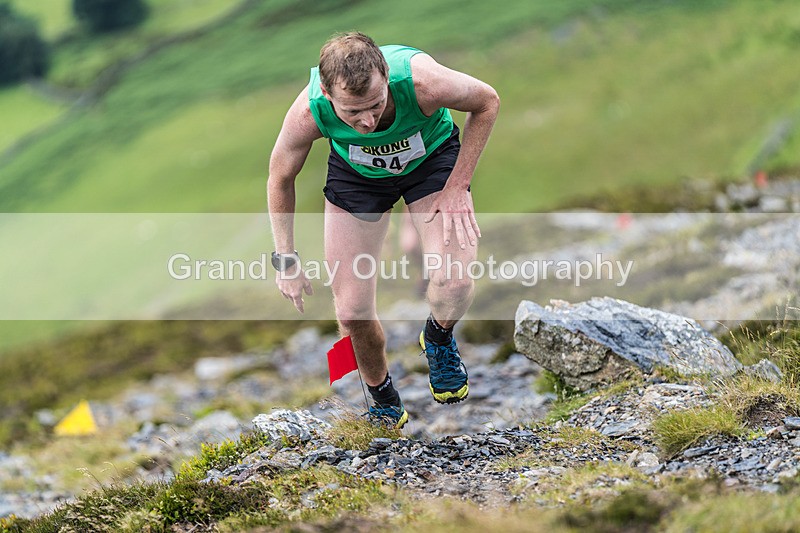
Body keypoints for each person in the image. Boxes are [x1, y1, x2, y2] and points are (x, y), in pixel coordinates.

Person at [267, 32, 499, 429]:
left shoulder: (424, 83)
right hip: (357, 179)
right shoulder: (309, 110)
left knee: (455, 283)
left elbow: (487, 102)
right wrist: (286, 259)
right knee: (352, 312)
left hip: (431, 163)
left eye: (376, 105)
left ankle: (439, 338)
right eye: (352, 112)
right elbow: (279, 177)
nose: (368, 121)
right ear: (326, 93)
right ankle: (383, 397)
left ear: (386, 77)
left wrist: (459, 184)